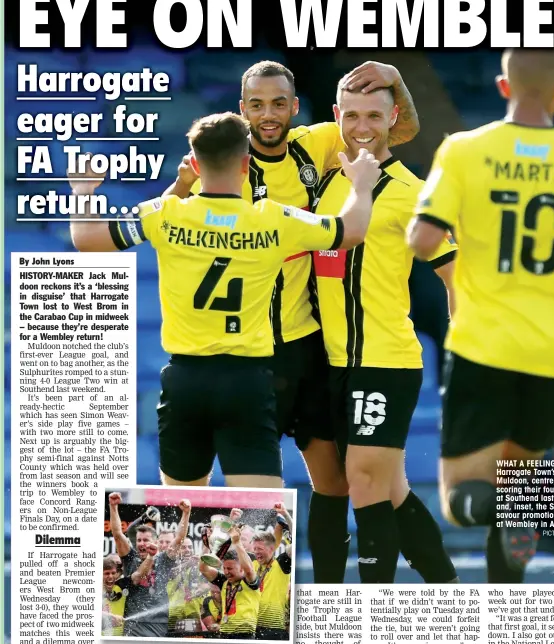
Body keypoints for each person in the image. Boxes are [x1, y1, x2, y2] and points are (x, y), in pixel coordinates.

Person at [167, 60, 419, 554]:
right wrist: (178, 187)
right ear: (241, 112)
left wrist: (394, 78)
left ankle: (323, 599)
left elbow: (394, 128)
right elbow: (172, 219)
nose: (268, 114)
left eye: (278, 103)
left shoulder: (318, 142)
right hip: (248, 355)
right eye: (256, 105)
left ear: (295, 108)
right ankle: (213, 602)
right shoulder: (225, 165)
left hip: (304, 346)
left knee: (334, 484)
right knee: (238, 496)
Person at [69, 113, 381, 488]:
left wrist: (83, 191)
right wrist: (361, 186)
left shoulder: (167, 214)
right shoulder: (272, 218)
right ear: (246, 164)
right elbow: (351, 231)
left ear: (195, 164)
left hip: (185, 379)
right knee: (260, 523)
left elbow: (87, 239)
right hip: (246, 381)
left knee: (180, 518)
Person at [407, 43, 554, 583]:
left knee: (462, 500)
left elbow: (423, 240)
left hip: (483, 346)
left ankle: (507, 516)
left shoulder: (465, 150)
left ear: (504, 86)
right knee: (518, 489)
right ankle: (506, 616)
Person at [312, 83, 460, 585]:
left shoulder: (414, 194)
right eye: (351, 116)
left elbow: (454, 273)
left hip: (385, 361)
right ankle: (448, 590)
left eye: (374, 116)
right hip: (329, 361)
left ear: (394, 116)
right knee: (389, 489)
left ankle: (374, 617)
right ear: (337, 116)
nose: (361, 128)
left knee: (365, 481)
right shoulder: (325, 183)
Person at [107, 492, 191, 637]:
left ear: (156, 542)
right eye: (139, 540)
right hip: (134, 623)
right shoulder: (130, 558)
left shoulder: (164, 559)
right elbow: (118, 535)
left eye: (146, 540)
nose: (141, 544)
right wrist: (113, 507)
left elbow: (179, 539)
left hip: (159, 622)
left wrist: (186, 513)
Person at [199, 526, 262, 640]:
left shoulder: (250, 581)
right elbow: (203, 569)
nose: (226, 572)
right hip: (224, 634)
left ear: (241, 568)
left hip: (245, 636)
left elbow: (249, 569)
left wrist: (237, 542)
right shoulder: (224, 581)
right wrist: (207, 546)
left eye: (230, 569)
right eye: (224, 568)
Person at [251, 504, 294, 641]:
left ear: (272, 548)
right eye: (255, 548)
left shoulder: (281, 564)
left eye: (260, 549)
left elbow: (296, 544)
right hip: (251, 627)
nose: (257, 552)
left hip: (274, 629)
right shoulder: (253, 564)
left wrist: (286, 515)